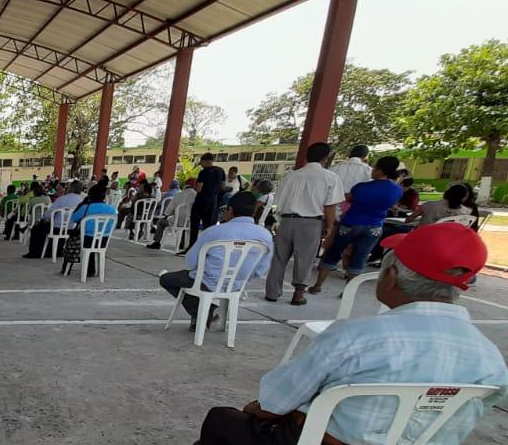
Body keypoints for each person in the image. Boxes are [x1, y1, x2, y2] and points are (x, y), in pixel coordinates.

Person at [185, 222, 507, 445]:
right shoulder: (489, 357)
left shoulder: (357, 337)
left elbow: (275, 400)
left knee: (224, 420)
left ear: (391, 277)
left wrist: (258, 411)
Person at [159, 192, 272, 329]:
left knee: (166, 279)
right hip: (236, 285)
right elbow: (260, 270)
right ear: (255, 210)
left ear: (230, 210)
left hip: (207, 282)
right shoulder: (265, 236)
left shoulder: (214, 232)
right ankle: (203, 312)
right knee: (192, 281)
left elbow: (191, 261)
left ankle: (201, 312)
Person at [263, 141, 344, 306]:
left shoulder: (291, 175)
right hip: (311, 222)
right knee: (305, 259)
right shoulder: (330, 177)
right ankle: (298, 294)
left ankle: (272, 293)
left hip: (286, 220)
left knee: (279, 258)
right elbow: (330, 205)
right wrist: (329, 226)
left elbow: (278, 201)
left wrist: (278, 220)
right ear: (325, 158)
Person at [309, 155, 402, 294]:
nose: (372, 170)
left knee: (333, 253)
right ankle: (348, 291)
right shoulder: (396, 190)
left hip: (350, 223)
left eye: (375, 167)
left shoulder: (362, 187)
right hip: (374, 227)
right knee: (359, 258)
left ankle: (318, 285)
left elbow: (349, 198)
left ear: (381, 171)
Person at [25, 179, 83, 258]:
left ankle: (35, 252)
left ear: (71, 188)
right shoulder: (81, 200)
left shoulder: (62, 199)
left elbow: (48, 214)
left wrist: (43, 219)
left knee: (36, 228)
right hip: (72, 228)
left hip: (57, 228)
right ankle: (58, 251)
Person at [147, 179, 196, 250]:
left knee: (160, 222)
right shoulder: (197, 195)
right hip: (190, 222)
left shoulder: (179, 195)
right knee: (184, 227)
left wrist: (165, 216)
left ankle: (157, 242)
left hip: (177, 221)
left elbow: (169, 209)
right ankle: (182, 243)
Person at [189, 153, 227, 245]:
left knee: (195, 225)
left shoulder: (203, 172)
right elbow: (223, 187)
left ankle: (192, 245)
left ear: (204, 161)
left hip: (201, 202)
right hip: (213, 202)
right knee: (208, 226)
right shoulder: (221, 171)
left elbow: (199, 188)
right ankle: (205, 246)